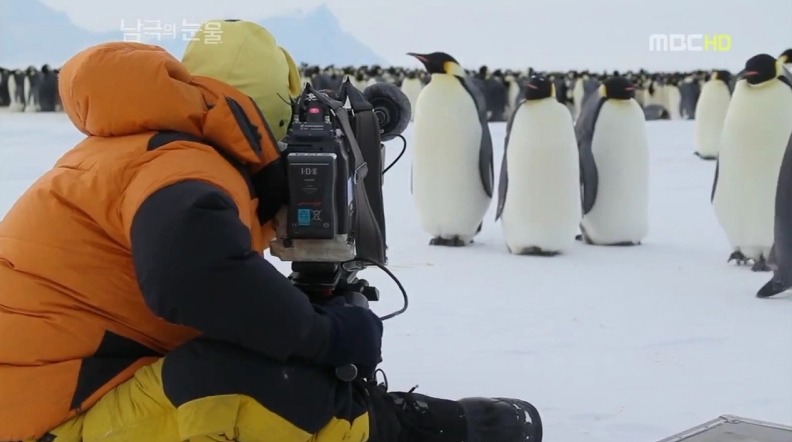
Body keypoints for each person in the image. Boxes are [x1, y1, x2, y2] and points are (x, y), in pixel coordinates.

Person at [0, 20, 542, 442]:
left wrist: (268, 209)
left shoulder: (145, 149)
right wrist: (325, 335)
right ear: (272, 113)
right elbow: (192, 278)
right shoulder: (184, 165)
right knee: (238, 380)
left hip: (46, 396)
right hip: (48, 423)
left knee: (255, 338)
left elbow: (201, 282)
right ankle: (391, 428)